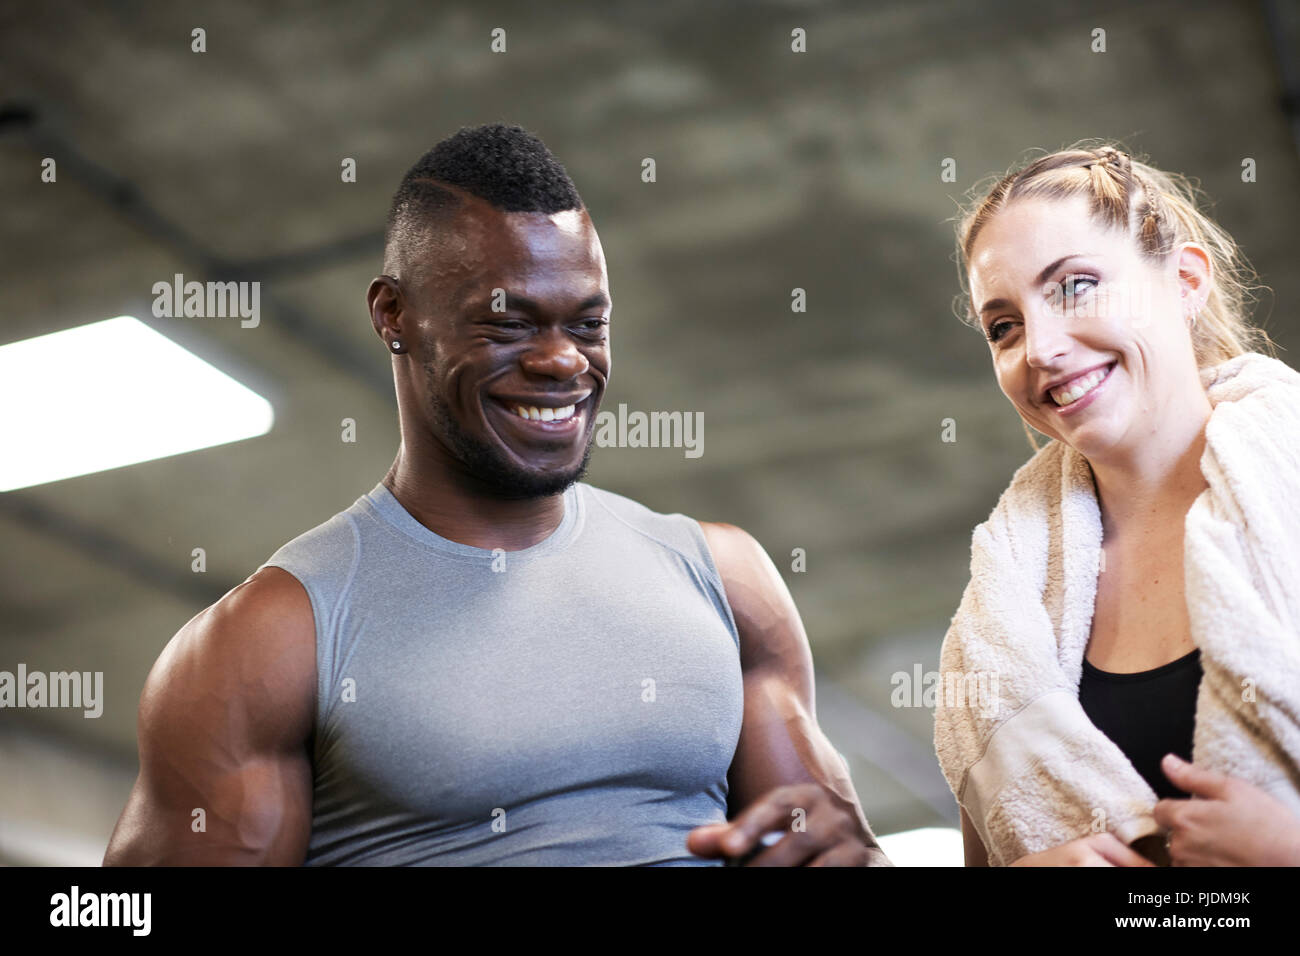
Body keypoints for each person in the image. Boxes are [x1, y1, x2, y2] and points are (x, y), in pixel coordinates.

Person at [102, 123, 888, 867]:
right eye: (509, 326)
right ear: (393, 315)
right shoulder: (270, 639)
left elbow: (827, 844)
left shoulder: (724, 575)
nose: (562, 362)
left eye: (587, 325)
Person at [934, 142, 1300, 867]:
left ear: (1186, 280)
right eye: (1003, 326)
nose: (1039, 348)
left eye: (1074, 286)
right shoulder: (995, 622)